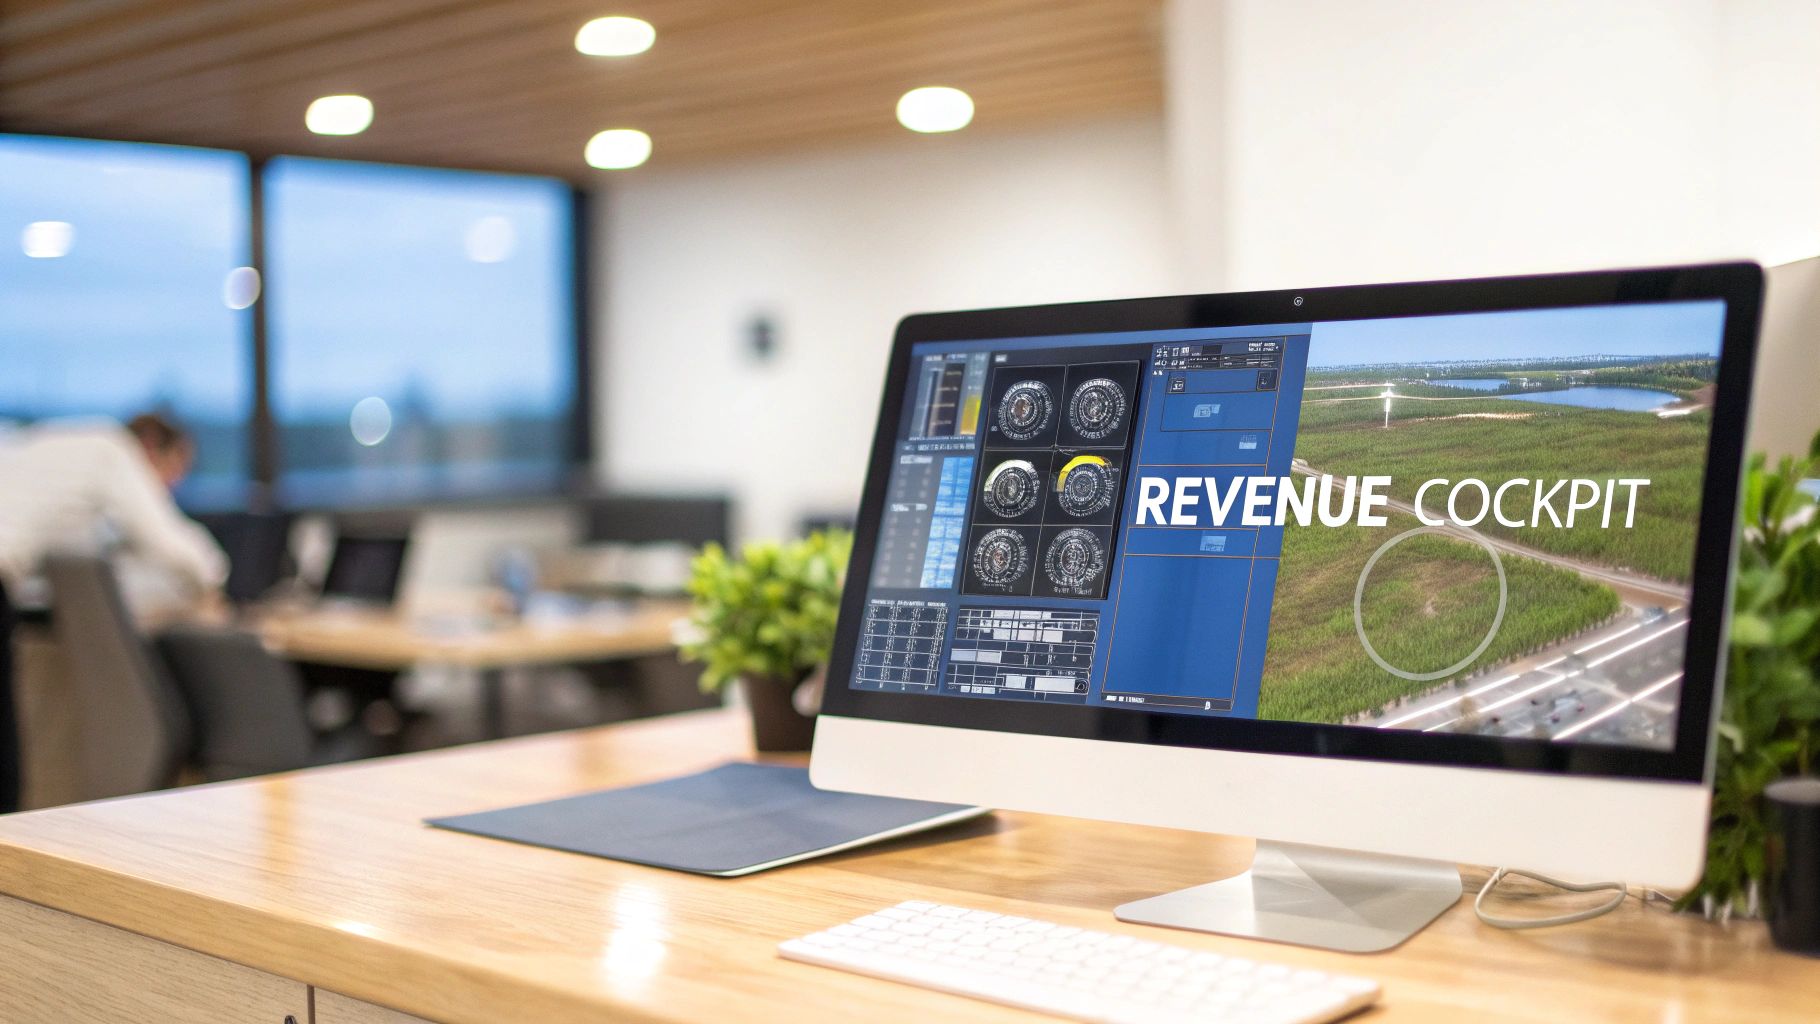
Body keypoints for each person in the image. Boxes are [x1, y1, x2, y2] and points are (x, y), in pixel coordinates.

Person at [0, 413, 228, 813]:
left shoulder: (58, 446)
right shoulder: (110, 450)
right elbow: (172, 544)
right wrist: (215, 583)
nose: (171, 486)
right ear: (152, 445)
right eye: (175, 469)